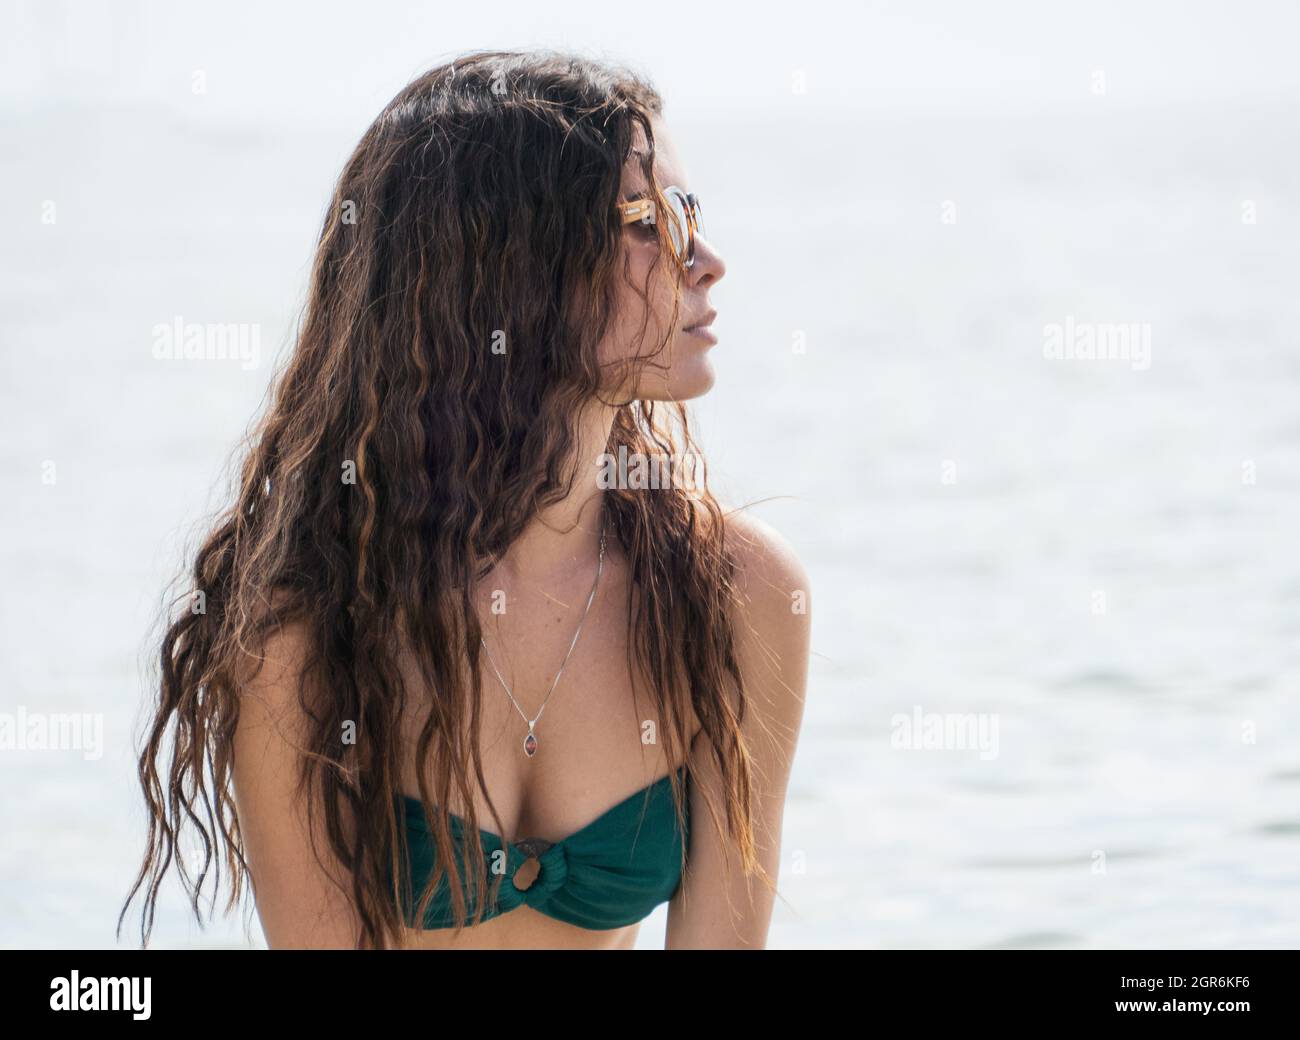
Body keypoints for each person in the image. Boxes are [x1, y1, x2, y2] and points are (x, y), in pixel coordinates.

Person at [119, 49, 811, 950]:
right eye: (647, 221)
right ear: (509, 269)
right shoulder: (307, 631)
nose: (705, 260)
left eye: (689, 213)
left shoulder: (734, 595)